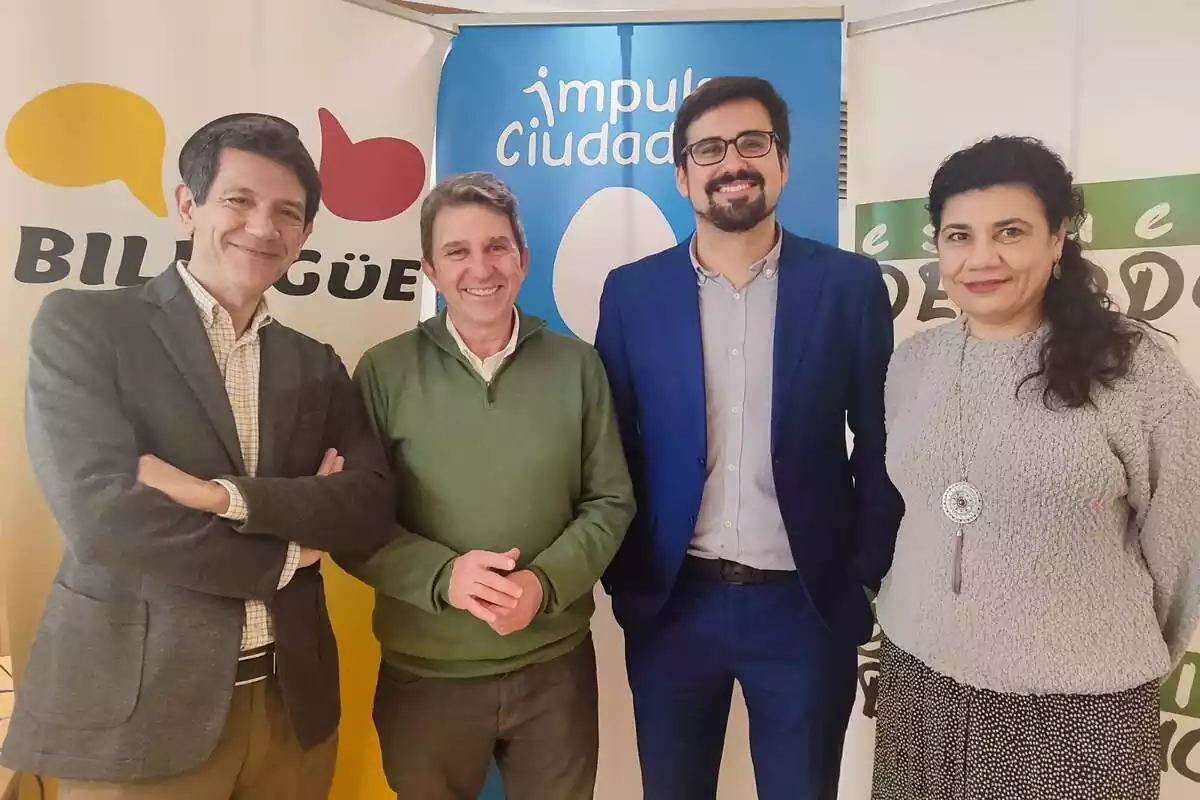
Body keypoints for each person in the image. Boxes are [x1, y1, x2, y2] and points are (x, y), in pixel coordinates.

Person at [0, 113, 395, 799]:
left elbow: (365, 504)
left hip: (289, 708)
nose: (263, 228)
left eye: (287, 213)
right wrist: (286, 552)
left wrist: (218, 496)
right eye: (239, 201)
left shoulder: (316, 364)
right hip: (138, 708)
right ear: (188, 204)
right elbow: (102, 517)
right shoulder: (87, 327)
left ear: (304, 234)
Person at [594, 76, 903, 800]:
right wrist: (626, 574)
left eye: (752, 143)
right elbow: (611, 445)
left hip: (805, 608)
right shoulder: (631, 293)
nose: (732, 161)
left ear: (783, 161)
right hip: (674, 605)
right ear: (682, 174)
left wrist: (863, 568)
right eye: (708, 149)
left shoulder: (849, 285)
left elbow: (883, 437)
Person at [872, 136, 1200, 800]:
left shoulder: (1135, 371)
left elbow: (1182, 544)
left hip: (1077, 709)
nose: (981, 257)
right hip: (918, 683)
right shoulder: (913, 362)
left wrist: (1096, 645)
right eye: (960, 235)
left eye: (1011, 232)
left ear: (1058, 240)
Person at [343, 171, 635, 800]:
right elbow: (353, 521)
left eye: (497, 246)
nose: (481, 267)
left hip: (553, 670)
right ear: (430, 269)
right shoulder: (382, 371)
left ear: (523, 260)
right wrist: (443, 577)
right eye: (457, 251)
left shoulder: (576, 366)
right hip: (426, 676)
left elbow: (610, 500)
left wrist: (543, 583)